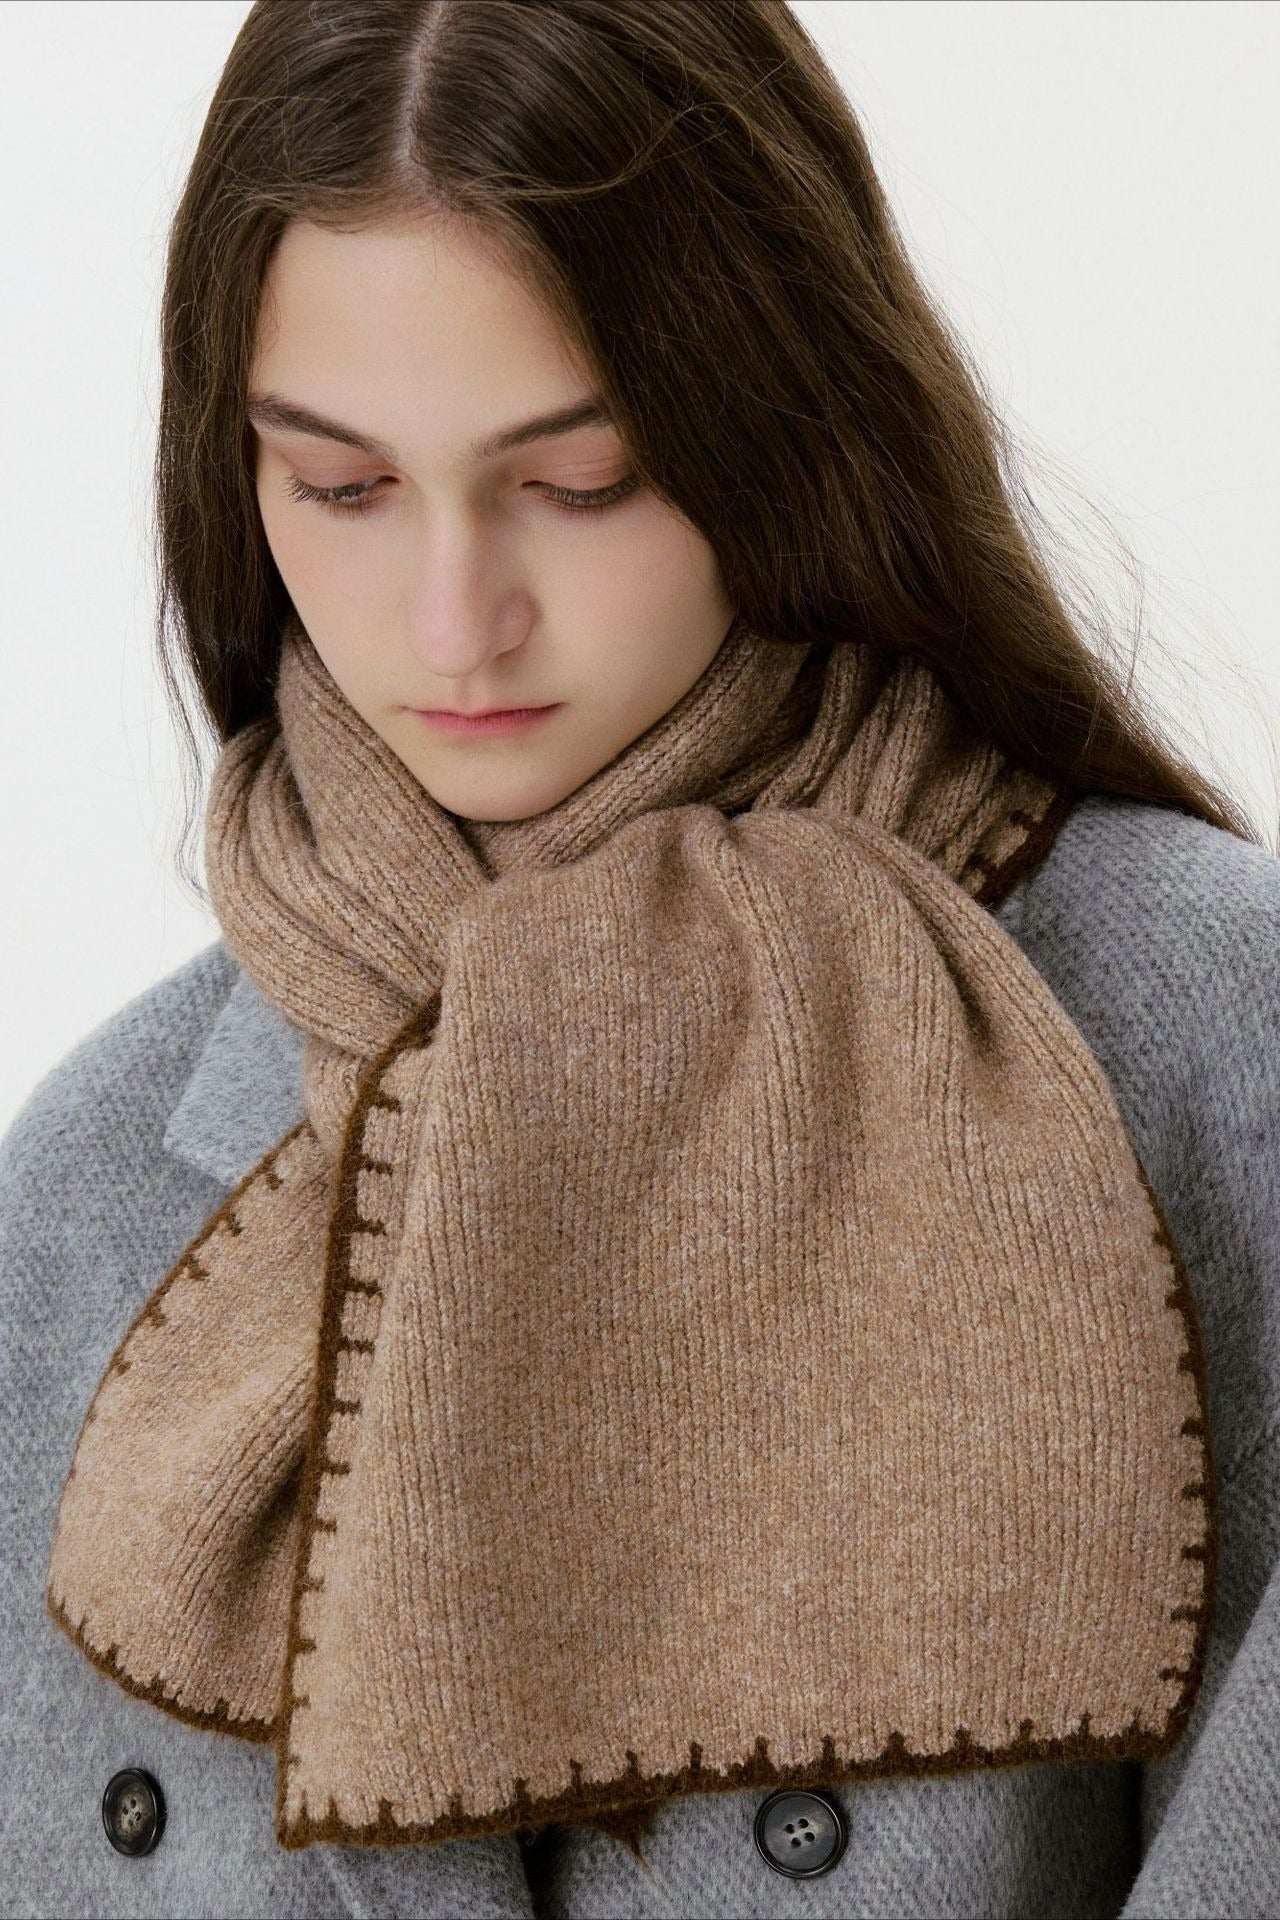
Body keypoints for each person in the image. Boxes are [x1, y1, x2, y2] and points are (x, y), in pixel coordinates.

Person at [3, 4, 1278, 1917]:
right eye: (341, 487)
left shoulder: (1189, 1036)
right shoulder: (98, 1178)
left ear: (786, 433)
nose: (456, 620)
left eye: (582, 479)